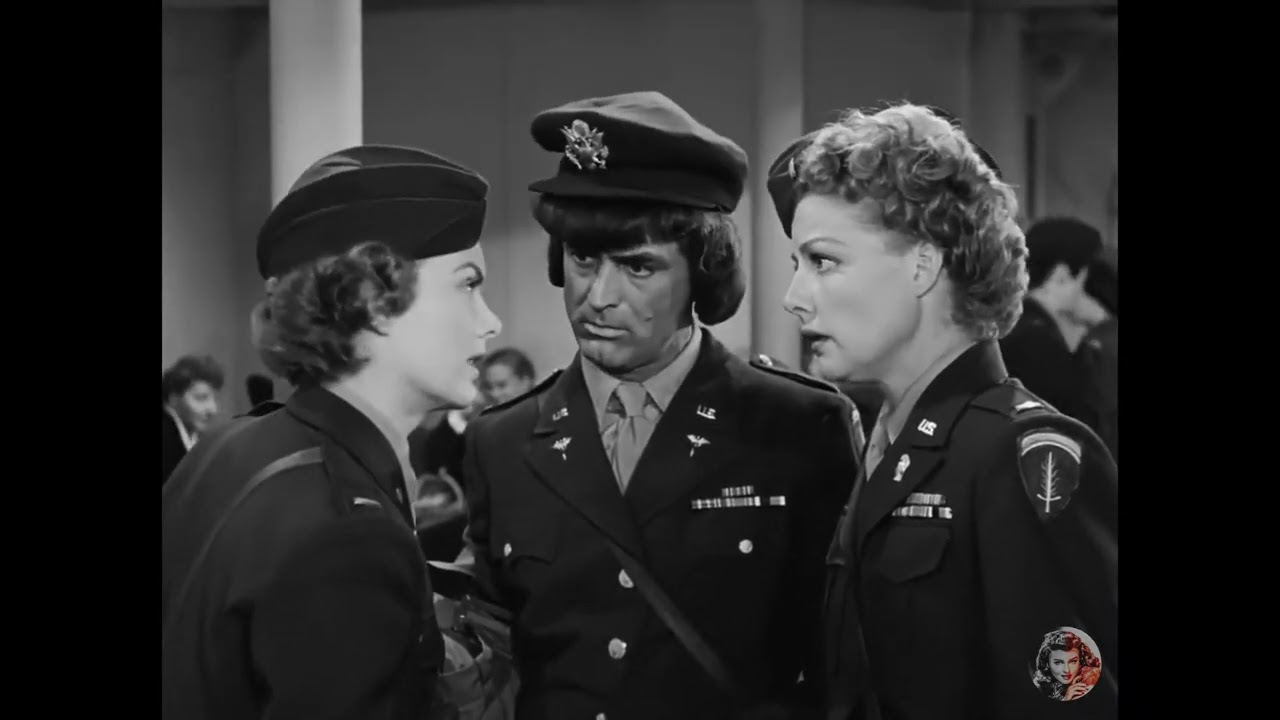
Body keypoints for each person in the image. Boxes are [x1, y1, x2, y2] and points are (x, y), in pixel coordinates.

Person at [462, 91, 859, 720]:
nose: (599, 296)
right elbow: (491, 656)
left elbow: (845, 662)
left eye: (638, 268)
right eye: (582, 259)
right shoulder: (502, 441)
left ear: (703, 274)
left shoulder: (797, 426)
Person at [766, 102, 1118, 719]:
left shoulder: (1020, 456)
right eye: (798, 265)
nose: (794, 298)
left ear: (923, 265)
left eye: (824, 261)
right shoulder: (887, 443)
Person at [161, 145, 502, 719]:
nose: (490, 321)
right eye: (468, 285)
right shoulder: (351, 533)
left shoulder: (227, 447)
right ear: (374, 302)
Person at [999, 217, 1104, 428]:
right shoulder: (1037, 344)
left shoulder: (1013, 325)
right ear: (1062, 275)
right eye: (1086, 279)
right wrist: (1105, 326)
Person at [161, 354, 224, 485]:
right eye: (201, 398)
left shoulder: (195, 438)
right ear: (174, 398)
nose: (213, 409)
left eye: (215, 399)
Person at [1031, 628, 1103, 702]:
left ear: (1080, 661)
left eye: (1073, 661)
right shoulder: (1039, 688)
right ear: (1047, 663)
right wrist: (1066, 699)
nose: (1066, 670)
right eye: (1058, 662)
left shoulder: (1090, 681)